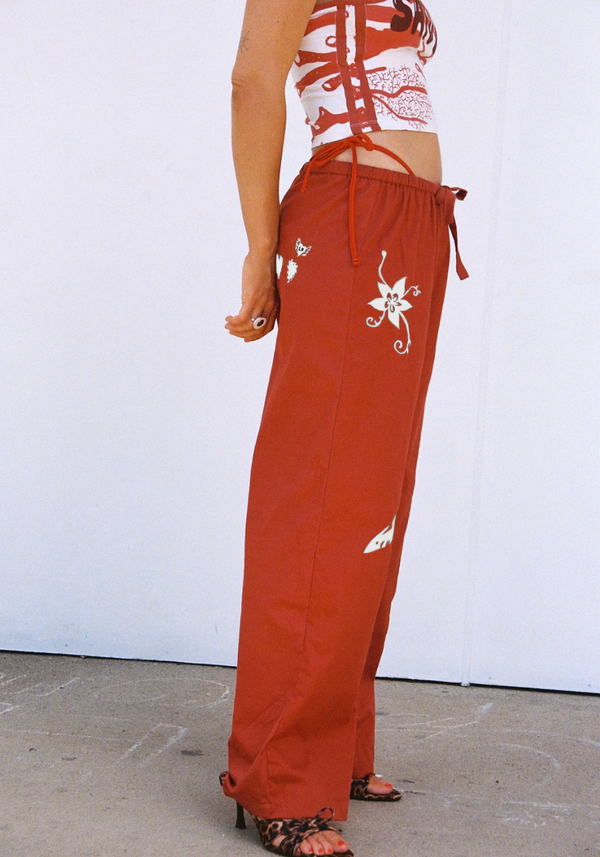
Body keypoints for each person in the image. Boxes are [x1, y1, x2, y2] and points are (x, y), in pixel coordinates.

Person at [219, 1, 468, 854]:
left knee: (371, 505)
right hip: (352, 217)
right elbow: (255, 79)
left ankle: (335, 746)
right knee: (321, 500)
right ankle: (281, 775)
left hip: (412, 220)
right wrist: (260, 247)